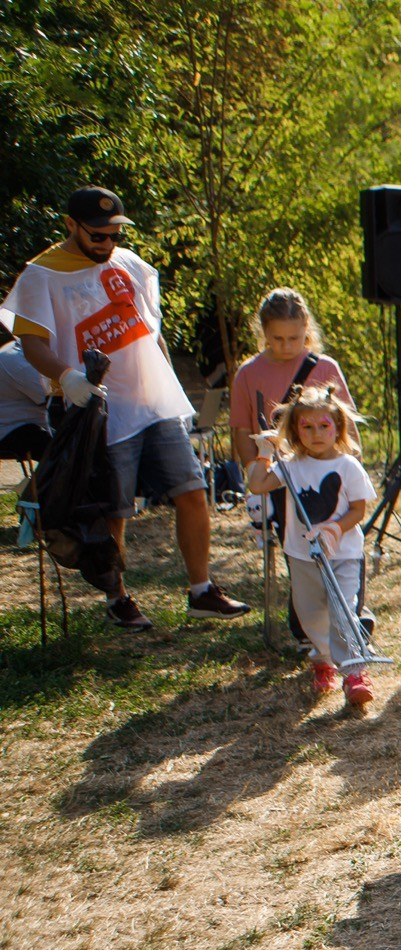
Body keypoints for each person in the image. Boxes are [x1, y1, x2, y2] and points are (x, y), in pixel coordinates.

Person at [0, 186, 248, 629]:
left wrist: (170, 385)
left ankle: (201, 591)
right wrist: (68, 378)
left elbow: (150, 331)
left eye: (114, 234)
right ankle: (118, 599)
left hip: (151, 403)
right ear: (71, 226)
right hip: (98, 409)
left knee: (191, 490)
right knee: (116, 509)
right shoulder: (42, 275)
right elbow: (32, 344)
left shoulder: (129, 264)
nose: (107, 244)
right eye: (97, 235)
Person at [244, 384, 378, 708]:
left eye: (324, 426)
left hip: (343, 554)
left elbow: (359, 510)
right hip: (302, 554)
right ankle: (322, 659)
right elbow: (257, 484)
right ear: (294, 430)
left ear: (338, 428)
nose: (316, 434)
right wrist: (264, 452)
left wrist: (334, 528)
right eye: (307, 427)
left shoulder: (348, 466)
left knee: (343, 611)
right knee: (310, 614)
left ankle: (354, 673)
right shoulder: (290, 465)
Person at [229, 288, 354, 536]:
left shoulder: (325, 367)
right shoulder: (248, 372)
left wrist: (352, 469)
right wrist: (254, 471)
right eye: (277, 339)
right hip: (278, 476)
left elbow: (347, 426)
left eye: (294, 338)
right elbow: (241, 430)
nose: (286, 346)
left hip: (325, 473)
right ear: (263, 331)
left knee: (333, 546)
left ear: (306, 328)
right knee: (295, 548)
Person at [0, 331, 52, 464]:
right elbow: (48, 397)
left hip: (20, 427)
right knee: (68, 448)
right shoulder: (15, 359)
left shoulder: (13, 352)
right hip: (11, 431)